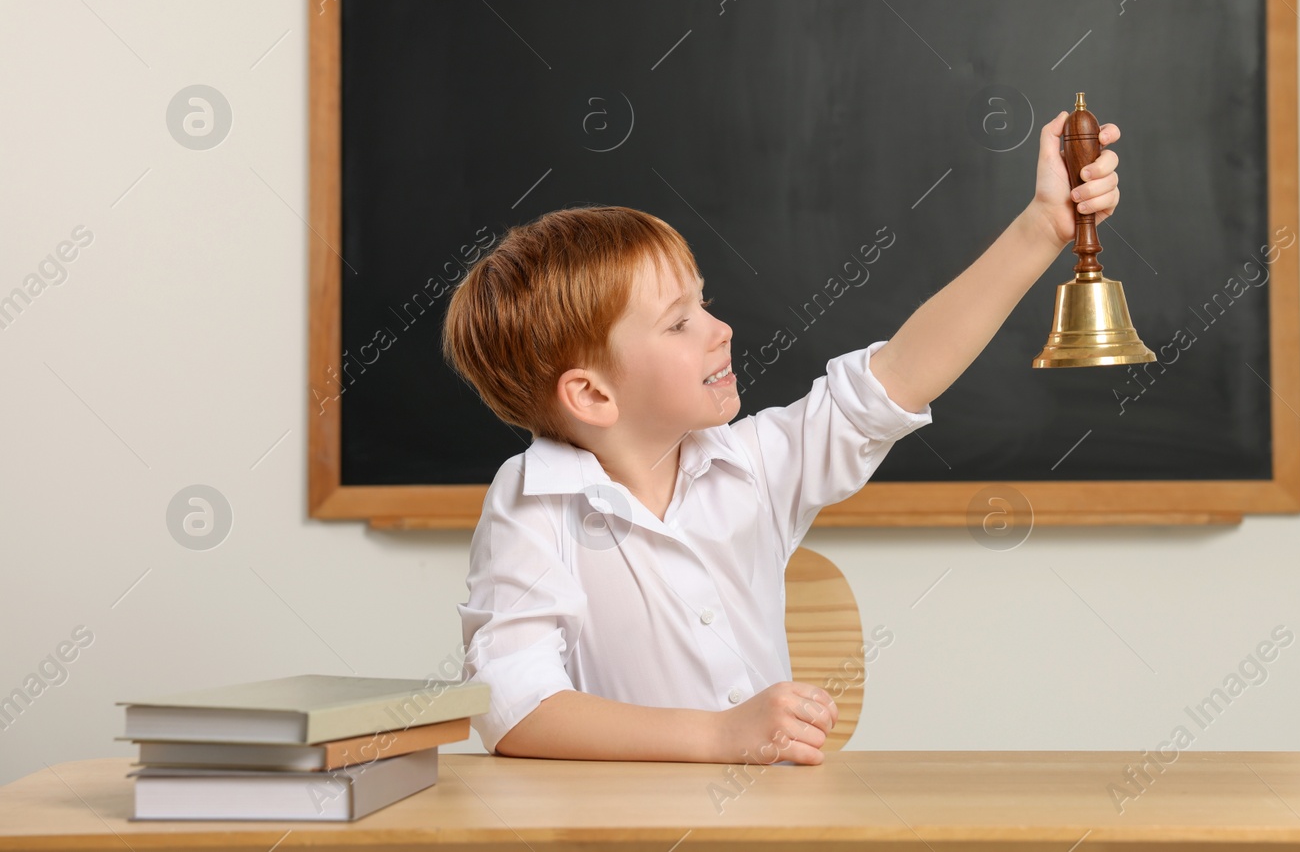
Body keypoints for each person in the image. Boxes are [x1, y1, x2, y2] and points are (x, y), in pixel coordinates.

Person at [443, 111, 1122, 765]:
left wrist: (1042, 227)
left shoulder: (751, 465)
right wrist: (717, 736)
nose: (720, 328)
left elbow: (897, 379)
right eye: (679, 323)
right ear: (591, 394)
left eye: (702, 302)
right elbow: (514, 704)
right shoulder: (533, 504)